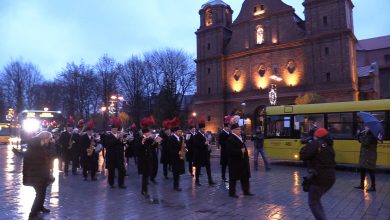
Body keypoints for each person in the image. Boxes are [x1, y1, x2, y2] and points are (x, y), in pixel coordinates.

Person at [299, 128, 336, 220]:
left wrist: (308, 144)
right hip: (330, 178)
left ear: (317, 136)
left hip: (319, 178)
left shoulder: (316, 143)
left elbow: (303, 155)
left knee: (313, 202)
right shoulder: (328, 145)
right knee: (316, 200)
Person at [23, 131, 55, 219]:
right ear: (45, 138)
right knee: (39, 194)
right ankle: (33, 213)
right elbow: (50, 154)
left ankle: (40, 207)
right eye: (49, 139)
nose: (50, 141)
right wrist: (52, 145)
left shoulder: (38, 145)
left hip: (39, 173)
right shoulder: (35, 147)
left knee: (42, 192)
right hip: (36, 174)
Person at [136, 116, 161, 197]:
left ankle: (145, 190)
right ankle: (144, 191)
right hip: (143, 160)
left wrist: (156, 142)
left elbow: (152, 147)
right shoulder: (140, 139)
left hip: (149, 159)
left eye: (149, 133)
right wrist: (142, 142)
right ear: (145, 133)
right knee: (144, 176)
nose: (149, 134)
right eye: (148, 133)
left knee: (147, 175)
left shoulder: (149, 139)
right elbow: (137, 148)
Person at [226, 123, 253, 198]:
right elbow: (230, 151)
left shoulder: (240, 137)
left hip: (243, 161)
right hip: (235, 162)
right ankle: (232, 193)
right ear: (233, 130)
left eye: (239, 129)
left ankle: (246, 191)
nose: (240, 131)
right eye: (238, 129)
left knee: (244, 177)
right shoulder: (230, 139)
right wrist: (240, 151)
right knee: (233, 178)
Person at [102, 118, 127, 189]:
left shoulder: (120, 135)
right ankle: (111, 183)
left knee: (121, 170)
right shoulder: (108, 136)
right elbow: (108, 144)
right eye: (114, 129)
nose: (115, 130)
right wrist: (117, 138)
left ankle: (121, 183)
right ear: (111, 130)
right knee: (111, 171)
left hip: (119, 156)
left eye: (116, 129)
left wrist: (123, 139)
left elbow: (124, 144)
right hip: (111, 156)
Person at [192, 118, 215, 186]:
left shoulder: (205, 135)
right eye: (202, 129)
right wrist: (204, 144)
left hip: (205, 154)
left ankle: (210, 180)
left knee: (208, 167)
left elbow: (206, 142)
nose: (204, 130)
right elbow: (196, 144)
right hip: (199, 154)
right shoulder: (196, 135)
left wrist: (208, 146)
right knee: (198, 168)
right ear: (200, 129)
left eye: (204, 129)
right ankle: (197, 181)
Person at [354, 126, 378, 192]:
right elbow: (360, 141)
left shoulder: (372, 136)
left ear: (370, 128)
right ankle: (362, 185)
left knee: (371, 171)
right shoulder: (367, 134)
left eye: (367, 127)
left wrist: (360, 136)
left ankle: (373, 187)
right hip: (365, 156)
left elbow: (365, 142)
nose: (365, 128)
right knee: (362, 170)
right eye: (365, 127)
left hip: (370, 157)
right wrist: (358, 135)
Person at [167, 118, 186, 191]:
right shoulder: (171, 138)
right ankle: (176, 186)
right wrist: (177, 152)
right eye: (178, 131)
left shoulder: (181, 138)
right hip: (174, 158)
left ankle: (177, 185)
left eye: (180, 131)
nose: (180, 132)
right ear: (175, 132)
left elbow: (183, 145)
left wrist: (185, 149)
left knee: (178, 172)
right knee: (176, 172)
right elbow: (169, 149)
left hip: (180, 157)